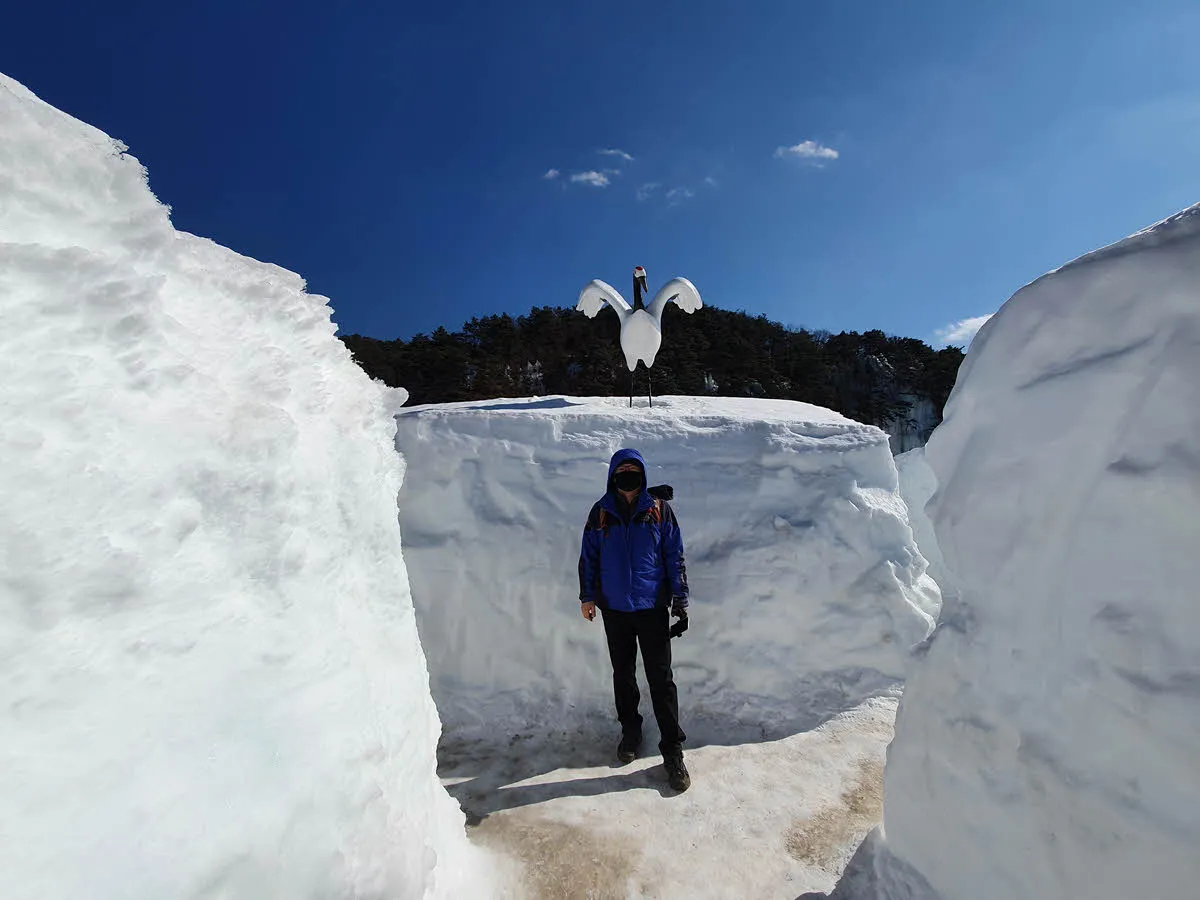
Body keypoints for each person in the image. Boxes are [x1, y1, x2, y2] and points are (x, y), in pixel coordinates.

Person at [577, 448, 691, 791]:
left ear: (642, 473)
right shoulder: (601, 513)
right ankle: (631, 730)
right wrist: (588, 596)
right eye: (622, 469)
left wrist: (680, 599)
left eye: (634, 469)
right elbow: (589, 557)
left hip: (651, 607)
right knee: (623, 674)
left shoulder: (658, 510)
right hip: (614, 609)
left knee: (661, 678)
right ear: (613, 475)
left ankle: (672, 751)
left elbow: (674, 554)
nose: (628, 474)